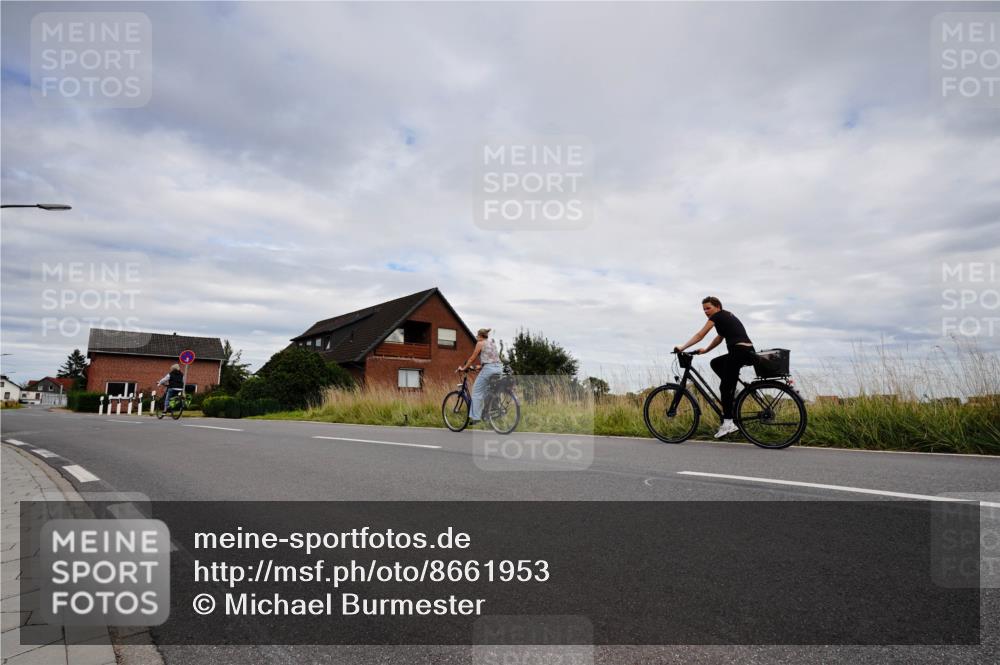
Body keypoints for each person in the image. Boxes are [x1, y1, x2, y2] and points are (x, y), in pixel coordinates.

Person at [674, 296, 755, 439]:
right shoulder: (726, 316)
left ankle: (728, 423)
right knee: (715, 363)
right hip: (746, 351)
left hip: (739, 351)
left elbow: (700, 335)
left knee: (724, 388)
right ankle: (732, 390)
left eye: (708, 308)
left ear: (717, 306)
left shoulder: (717, 316)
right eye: (704, 309)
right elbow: (719, 338)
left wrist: (682, 347)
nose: (705, 311)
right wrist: (706, 350)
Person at [459, 328, 502, 425]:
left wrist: (463, 368)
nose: (476, 337)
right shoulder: (492, 343)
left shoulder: (480, 343)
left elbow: (472, 358)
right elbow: (492, 360)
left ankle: (476, 418)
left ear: (480, 336)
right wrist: (478, 367)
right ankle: (489, 409)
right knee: (488, 390)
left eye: (477, 336)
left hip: (489, 369)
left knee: (476, 391)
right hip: (499, 368)